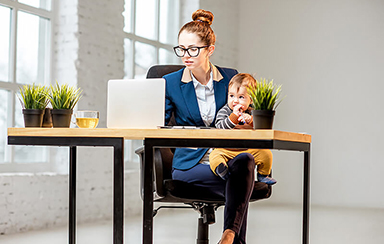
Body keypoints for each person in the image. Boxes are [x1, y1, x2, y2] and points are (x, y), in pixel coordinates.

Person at [163, 9, 270, 244]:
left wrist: (249, 120)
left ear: (209, 50)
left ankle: (228, 234)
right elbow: (158, 125)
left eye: (193, 49)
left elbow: (250, 109)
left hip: (228, 157)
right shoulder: (170, 83)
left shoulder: (231, 78)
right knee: (241, 181)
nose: (185, 55)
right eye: (181, 49)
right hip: (191, 165)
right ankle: (232, 238)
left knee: (246, 162)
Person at [209, 73, 277, 185]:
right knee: (214, 156)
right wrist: (233, 118)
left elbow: (261, 128)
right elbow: (219, 126)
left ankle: (263, 175)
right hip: (226, 150)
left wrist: (250, 120)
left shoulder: (252, 113)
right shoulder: (225, 111)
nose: (235, 101)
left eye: (241, 97)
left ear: (251, 100)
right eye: (231, 96)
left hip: (248, 149)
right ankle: (222, 170)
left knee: (266, 154)